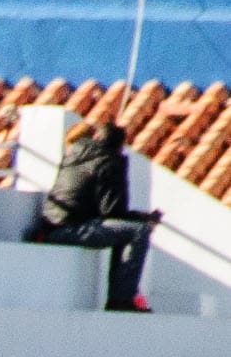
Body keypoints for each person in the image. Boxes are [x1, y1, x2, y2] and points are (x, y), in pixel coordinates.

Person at [25, 119, 158, 313]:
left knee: (127, 230)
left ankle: (121, 297)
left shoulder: (75, 155)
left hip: (51, 227)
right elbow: (112, 211)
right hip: (69, 230)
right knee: (138, 232)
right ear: (120, 146)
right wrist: (142, 220)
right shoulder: (109, 160)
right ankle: (120, 300)